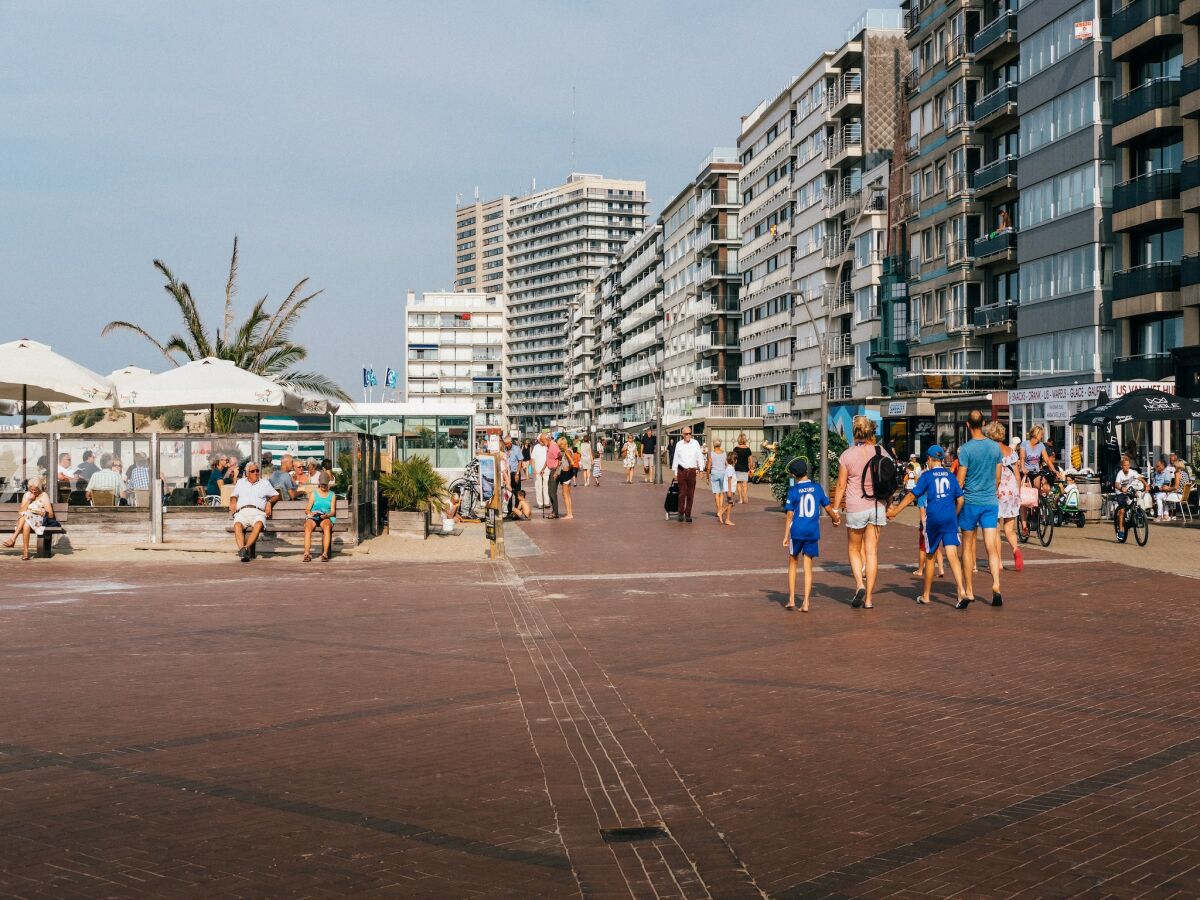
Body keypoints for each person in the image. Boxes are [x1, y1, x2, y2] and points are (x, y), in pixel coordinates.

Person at [888, 445, 968, 606]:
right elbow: (961, 500)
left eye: (928, 460)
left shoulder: (927, 475)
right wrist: (955, 514)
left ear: (931, 460)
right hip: (949, 518)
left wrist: (895, 511)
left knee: (930, 556)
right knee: (952, 554)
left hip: (933, 519)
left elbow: (912, 495)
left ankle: (926, 595)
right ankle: (962, 591)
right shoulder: (950, 476)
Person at [831, 415, 891, 609]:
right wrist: (889, 503)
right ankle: (869, 599)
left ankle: (859, 585)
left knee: (854, 549)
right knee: (872, 553)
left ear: (854, 432)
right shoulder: (880, 450)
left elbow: (841, 485)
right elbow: (889, 478)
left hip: (856, 506)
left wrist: (835, 509)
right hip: (877, 506)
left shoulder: (847, 455)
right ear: (870, 432)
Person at [956, 410, 1004, 609]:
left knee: (967, 546)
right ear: (983, 423)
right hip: (990, 502)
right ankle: (996, 584)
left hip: (971, 502)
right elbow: (999, 478)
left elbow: (960, 480)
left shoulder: (965, 450)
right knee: (991, 546)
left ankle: (969, 590)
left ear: (968, 425)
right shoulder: (995, 448)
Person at [782, 458, 838, 612]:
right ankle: (806, 602)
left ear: (794, 474)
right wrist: (835, 519)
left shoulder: (793, 491)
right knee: (808, 566)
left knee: (793, 562)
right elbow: (827, 507)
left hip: (797, 531)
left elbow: (789, 515)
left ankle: (792, 598)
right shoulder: (816, 488)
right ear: (806, 471)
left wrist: (786, 535)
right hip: (812, 531)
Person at [229, 460, 279, 562]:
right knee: (237, 525)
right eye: (253, 471)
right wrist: (233, 500)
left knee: (259, 524)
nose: (256, 472)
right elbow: (233, 495)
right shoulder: (240, 482)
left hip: (258, 512)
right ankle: (243, 551)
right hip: (242, 512)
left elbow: (277, 495)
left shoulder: (264, 483)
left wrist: (269, 502)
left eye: (257, 470)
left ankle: (245, 549)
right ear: (247, 473)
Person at [991, 424, 1023, 571]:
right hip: (1012, 492)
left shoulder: (991, 451)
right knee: (1010, 529)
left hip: (997, 492)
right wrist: (1018, 492)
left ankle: (998, 561)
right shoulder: (1011, 451)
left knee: (996, 529)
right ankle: (1016, 550)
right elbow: (1017, 474)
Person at [3, 477, 54, 560]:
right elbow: (20, 511)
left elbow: (51, 514)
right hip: (26, 520)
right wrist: (29, 501)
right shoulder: (27, 495)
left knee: (25, 515)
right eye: (31, 490)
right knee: (26, 523)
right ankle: (25, 552)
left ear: (39, 488)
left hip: (38, 520)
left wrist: (38, 512)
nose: (33, 492)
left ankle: (13, 539)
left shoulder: (44, 496)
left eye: (35, 490)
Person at [1018, 425, 1058, 529]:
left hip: (1035, 472)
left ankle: (1039, 507)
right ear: (1036, 434)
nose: (1042, 436)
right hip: (1025, 472)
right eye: (1041, 434)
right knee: (1024, 500)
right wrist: (1023, 468)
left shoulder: (1041, 446)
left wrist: (1054, 471)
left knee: (1042, 486)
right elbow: (1022, 458)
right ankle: (1024, 526)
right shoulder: (1025, 444)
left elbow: (1047, 460)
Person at [670, 426, 703, 523]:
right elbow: (676, 458)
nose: (688, 435)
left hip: (692, 471)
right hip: (681, 470)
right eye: (686, 434)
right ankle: (681, 512)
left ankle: (688, 514)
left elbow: (699, 456)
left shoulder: (695, 443)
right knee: (682, 493)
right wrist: (675, 472)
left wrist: (701, 470)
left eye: (690, 433)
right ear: (682, 434)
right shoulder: (679, 444)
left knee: (690, 494)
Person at [302, 475, 337, 562]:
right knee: (307, 527)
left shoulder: (332, 495)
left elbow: (333, 512)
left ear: (328, 483)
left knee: (327, 527)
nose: (323, 486)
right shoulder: (314, 494)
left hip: (326, 516)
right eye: (322, 485)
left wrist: (327, 515)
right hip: (315, 516)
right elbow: (307, 509)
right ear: (319, 483)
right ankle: (306, 553)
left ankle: (325, 554)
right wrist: (311, 513)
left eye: (325, 485)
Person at [1113, 455, 1146, 539]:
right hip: (1120, 492)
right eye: (1125, 465)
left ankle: (1136, 515)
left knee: (1137, 496)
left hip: (1128, 490)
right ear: (1122, 466)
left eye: (1128, 465)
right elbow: (1116, 484)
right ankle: (1121, 530)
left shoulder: (1132, 472)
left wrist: (1146, 485)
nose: (1127, 467)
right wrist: (1121, 488)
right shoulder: (1120, 474)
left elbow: (1140, 478)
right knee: (1122, 510)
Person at [707, 438, 728, 523]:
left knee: (716, 493)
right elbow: (726, 464)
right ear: (720, 445)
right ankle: (720, 510)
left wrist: (707, 477)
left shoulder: (711, 454)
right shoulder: (724, 453)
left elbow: (709, 466)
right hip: (723, 473)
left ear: (713, 445)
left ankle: (719, 510)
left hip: (714, 473)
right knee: (722, 493)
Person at [556, 436, 575, 520]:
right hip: (568, 474)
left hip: (566, 474)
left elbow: (572, 462)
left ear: (564, 444)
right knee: (567, 494)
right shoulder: (569, 450)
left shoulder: (567, 452)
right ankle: (569, 512)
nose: (559, 447)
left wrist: (568, 468)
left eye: (560, 445)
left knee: (565, 495)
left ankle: (569, 514)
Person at [732, 434, 754, 504]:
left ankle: (740, 499)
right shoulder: (748, 449)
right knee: (745, 484)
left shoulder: (736, 449)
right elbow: (751, 460)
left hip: (737, 467)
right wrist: (751, 468)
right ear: (745, 440)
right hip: (745, 468)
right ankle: (745, 497)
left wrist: (733, 465)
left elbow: (733, 459)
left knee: (738, 484)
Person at [544, 431, 561, 518]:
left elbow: (560, 457)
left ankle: (555, 513)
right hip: (551, 470)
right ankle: (554, 511)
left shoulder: (553, 446)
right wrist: (543, 469)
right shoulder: (548, 446)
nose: (543, 443)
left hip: (555, 470)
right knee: (549, 491)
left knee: (552, 492)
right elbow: (548, 460)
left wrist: (557, 472)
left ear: (548, 439)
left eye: (544, 441)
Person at [531, 433, 549, 511]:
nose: (542, 442)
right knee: (538, 486)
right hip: (537, 470)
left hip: (546, 469)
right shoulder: (536, 447)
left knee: (546, 486)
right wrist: (534, 469)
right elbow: (532, 459)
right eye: (540, 440)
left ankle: (547, 502)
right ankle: (540, 503)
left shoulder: (547, 447)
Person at [721, 450, 738, 525]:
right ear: (734, 460)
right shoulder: (730, 468)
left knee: (731, 503)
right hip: (729, 489)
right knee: (731, 503)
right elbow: (729, 480)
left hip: (730, 489)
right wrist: (729, 491)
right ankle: (727, 519)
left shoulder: (729, 467)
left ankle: (721, 512)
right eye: (736, 459)